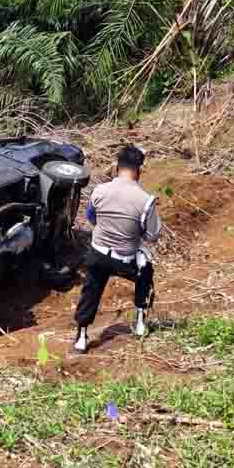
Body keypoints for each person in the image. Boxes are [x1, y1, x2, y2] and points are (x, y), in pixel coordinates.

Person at [73, 145, 160, 353]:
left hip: (98, 254)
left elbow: (92, 218)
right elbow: (152, 235)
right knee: (146, 272)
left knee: (91, 288)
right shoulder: (146, 200)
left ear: (116, 167)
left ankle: (82, 336)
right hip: (126, 259)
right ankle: (140, 321)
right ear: (139, 170)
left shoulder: (99, 191)